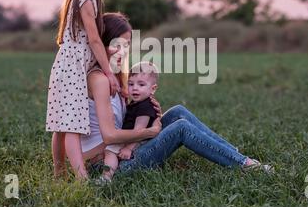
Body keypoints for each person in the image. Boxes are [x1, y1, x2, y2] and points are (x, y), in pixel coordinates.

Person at [80, 13, 272, 182]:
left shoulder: (115, 77)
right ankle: (245, 165)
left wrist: (147, 109)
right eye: (116, 45)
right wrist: (150, 132)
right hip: (109, 164)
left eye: (126, 46)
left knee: (178, 112)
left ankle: (233, 154)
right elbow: (109, 136)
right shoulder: (99, 80)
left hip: (123, 148)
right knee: (181, 128)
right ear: (102, 42)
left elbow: (127, 117)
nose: (122, 52)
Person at [45, 0, 122, 179]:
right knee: (72, 127)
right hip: (73, 71)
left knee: (61, 125)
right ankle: (81, 179)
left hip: (63, 67)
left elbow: (85, 42)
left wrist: (109, 50)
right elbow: (94, 39)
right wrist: (108, 73)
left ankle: (60, 174)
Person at [101, 61, 160, 182]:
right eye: (131, 84)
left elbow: (140, 131)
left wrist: (129, 148)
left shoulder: (145, 106)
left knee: (110, 150)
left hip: (138, 141)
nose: (135, 88)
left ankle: (106, 177)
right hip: (134, 137)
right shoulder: (137, 102)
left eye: (141, 84)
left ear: (152, 89)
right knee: (110, 150)